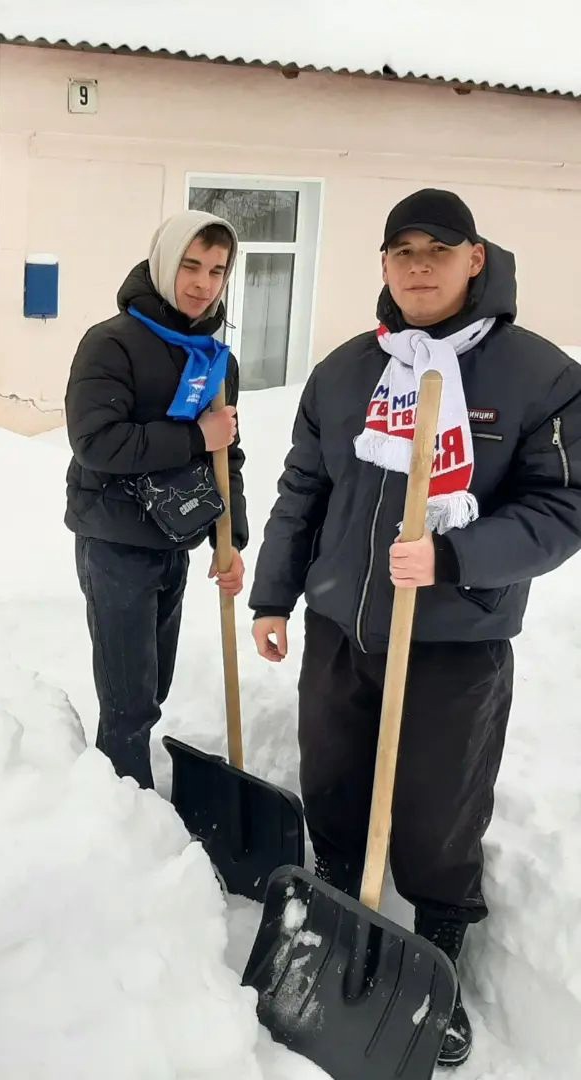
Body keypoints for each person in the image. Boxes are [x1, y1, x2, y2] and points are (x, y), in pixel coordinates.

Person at [248, 187, 581, 1067]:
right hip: (340, 628)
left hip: (455, 645)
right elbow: (303, 493)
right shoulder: (349, 371)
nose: (420, 265)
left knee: (439, 814)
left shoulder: (539, 376)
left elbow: (563, 508)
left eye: (440, 249)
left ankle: (436, 949)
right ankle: (333, 916)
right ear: (385, 266)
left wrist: (457, 555)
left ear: (478, 258)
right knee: (333, 781)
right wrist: (274, 597)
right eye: (402, 251)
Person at [64, 209, 248, 790]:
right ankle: (126, 813)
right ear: (164, 264)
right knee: (127, 698)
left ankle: (129, 795)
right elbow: (96, 442)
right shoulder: (111, 344)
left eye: (218, 271)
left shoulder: (214, 360)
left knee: (154, 683)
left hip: (177, 538)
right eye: (191, 266)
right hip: (115, 539)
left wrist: (231, 538)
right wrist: (196, 436)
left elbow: (227, 458)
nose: (203, 283)